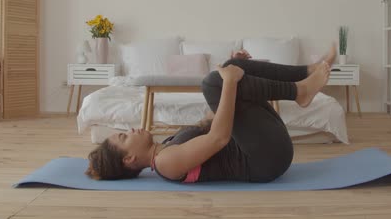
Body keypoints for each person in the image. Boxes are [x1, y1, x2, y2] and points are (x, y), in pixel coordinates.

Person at [85, 45, 337, 183]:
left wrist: (234, 72)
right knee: (213, 83)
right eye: (124, 137)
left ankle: (306, 73)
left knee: (228, 70)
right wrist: (227, 84)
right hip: (265, 162)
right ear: (129, 159)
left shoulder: (167, 148)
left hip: (264, 150)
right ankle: (299, 91)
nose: (130, 130)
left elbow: (212, 119)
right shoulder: (165, 164)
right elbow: (219, 138)